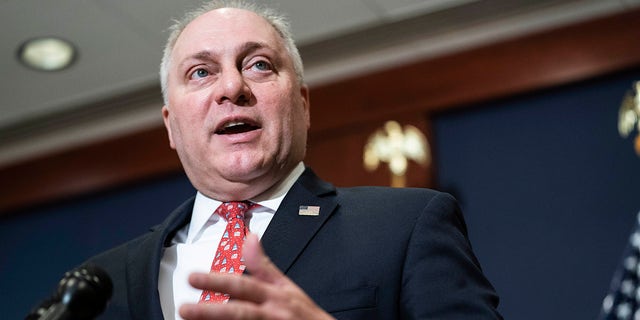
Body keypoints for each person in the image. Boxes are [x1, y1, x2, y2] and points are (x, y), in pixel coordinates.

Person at [85, 1, 502, 319]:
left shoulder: (405, 226)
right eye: (200, 72)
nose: (232, 86)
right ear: (171, 125)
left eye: (259, 65)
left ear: (302, 105)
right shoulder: (100, 285)